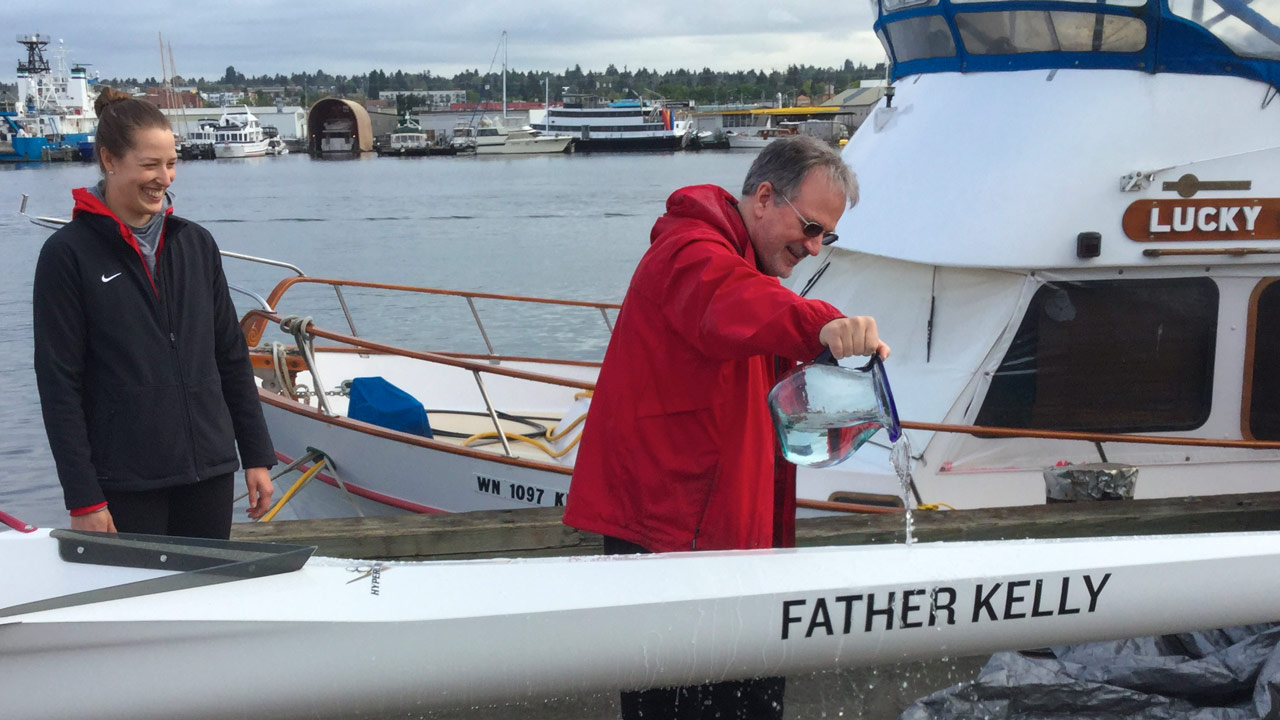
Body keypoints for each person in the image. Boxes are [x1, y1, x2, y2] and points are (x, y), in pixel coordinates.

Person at [563, 135, 889, 720]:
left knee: (751, 703)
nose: (814, 248)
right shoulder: (689, 252)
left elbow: (754, 330)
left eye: (826, 237)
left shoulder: (741, 267)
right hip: (671, 541)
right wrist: (825, 325)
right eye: (811, 228)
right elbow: (734, 302)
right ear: (764, 197)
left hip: (726, 537)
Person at [32, 87, 276, 539]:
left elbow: (230, 356)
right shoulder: (67, 255)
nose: (164, 178)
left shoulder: (196, 244)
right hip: (125, 482)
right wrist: (83, 497)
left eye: (171, 163)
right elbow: (58, 384)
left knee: (204, 602)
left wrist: (256, 454)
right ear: (109, 159)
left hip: (209, 472)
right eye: (149, 165)